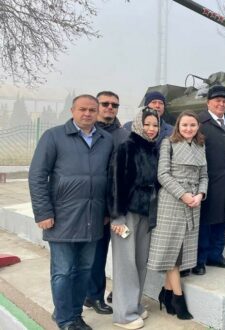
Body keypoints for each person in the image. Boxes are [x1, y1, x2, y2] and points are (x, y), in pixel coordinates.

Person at [29, 94, 114, 330]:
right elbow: (37, 175)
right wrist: (43, 212)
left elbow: (109, 179)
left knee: (84, 270)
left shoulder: (105, 139)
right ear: (72, 111)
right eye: (82, 109)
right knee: (63, 271)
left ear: (97, 113)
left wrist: (107, 210)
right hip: (62, 217)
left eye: (91, 110)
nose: (87, 114)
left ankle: (74, 314)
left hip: (93, 217)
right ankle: (66, 320)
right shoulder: (54, 136)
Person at [147, 111, 208, 320]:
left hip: (194, 202)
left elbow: (204, 175)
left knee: (181, 251)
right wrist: (183, 195)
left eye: (192, 125)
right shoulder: (168, 143)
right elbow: (162, 174)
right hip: (172, 201)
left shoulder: (200, 145)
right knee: (172, 250)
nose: (189, 129)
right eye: (184, 125)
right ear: (178, 127)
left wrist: (200, 194)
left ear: (197, 126)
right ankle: (178, 299)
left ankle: (166, 292)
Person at [106, 108, 160, 329]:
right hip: (126, 213)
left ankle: (134, 305)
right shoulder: (126, 147)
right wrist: (116, 217)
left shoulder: (154, 149)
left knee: (140, 262)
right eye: (147, 124)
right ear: (138, 124)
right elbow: (115, 183)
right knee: (125, 265)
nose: (151, 129)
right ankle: (123, 315)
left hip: (146, 212)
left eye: (155, 125)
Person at [84, 90, 128, 313]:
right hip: (90, 203)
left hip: (116, 205)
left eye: (115, 105)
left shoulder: (122, 135)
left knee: (111, 254)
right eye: (106, 104)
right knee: (92, 255)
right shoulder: (87, 132)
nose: (110, 108)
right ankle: (93, 295)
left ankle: (96, 295)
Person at [191, 85, 225, 275]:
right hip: (209, 181)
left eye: (224, 101)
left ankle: (216, 255)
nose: (221, 103)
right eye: (217, 100)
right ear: (208, 102)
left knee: (224, 219)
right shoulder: (200, 123)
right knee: (206, 221)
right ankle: (200, 260)